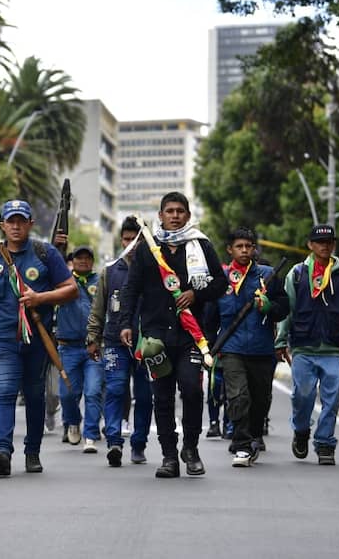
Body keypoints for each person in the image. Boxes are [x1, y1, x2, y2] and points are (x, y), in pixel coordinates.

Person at [0, 200, 77, 476]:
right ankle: (3, 450)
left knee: (35, 395)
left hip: (37, 341)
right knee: (4, 390)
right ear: (2, 225)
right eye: (10, 221)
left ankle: (33, 451)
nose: (16, 226)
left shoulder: (45, 253)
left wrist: (41, 298)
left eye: (21, 220)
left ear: (30, 224)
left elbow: (71, 289)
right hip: (2, 340)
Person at [120, 192, 226, 478]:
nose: (175, 215)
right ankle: (169, 456)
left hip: (191, 335)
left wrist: (196, 294)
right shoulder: (146, 249)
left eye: (180, 211)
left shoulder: (201, 245)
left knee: (192, 390)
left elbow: (221, 282)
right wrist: (126, 324)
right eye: (170, 211)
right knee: (162, 397)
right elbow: (131, 289)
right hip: (155, 337)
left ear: (188, 216)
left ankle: (190, 449)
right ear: (161, 215)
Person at [275, 224, 339, 466]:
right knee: (302, 395)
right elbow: (287, 309)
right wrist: (281, 340)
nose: (325, 246)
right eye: (320, 242)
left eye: (329, 242)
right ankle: (301, 431)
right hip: (303, 346)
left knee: (332, 398)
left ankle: (324, 443)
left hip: (333, 347)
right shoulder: (297, 273)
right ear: (310, 245)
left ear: (333, 245)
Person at [212, 227, 288, 467]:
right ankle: (242, 445)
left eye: (248, 246)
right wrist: (205, 344)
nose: (244, 250)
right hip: (232, 349)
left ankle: (254, 436)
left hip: (262, 349)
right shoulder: (220, 278)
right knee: (237, 396)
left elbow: (284, 308)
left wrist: (269, 308)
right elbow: (209, 315)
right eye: (239, 246)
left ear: (254, 249)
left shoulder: (268, 275)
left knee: (260, 400)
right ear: (230, 250)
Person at [87, 216, 153, 466]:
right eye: (126, 239)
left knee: (145, 396)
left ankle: (139, 444)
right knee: (115, 390)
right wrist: (93, 338)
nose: (131, 245)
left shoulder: (155, 270)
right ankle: (114, 440)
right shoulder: (110, 271)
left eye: (135, 240)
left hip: (149, 345)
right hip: (115, 342)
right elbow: (98, 309)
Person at [56, 245, 103, 453]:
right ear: (72, 261)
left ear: (92, 261)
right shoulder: (63, 282)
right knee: (67, 394)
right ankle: (73, 421)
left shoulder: (101, 281)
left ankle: (91, 435)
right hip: (68, 347)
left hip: (93, 348)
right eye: (79, 258)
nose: (83, 261)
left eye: (87, 258)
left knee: (93, 392)